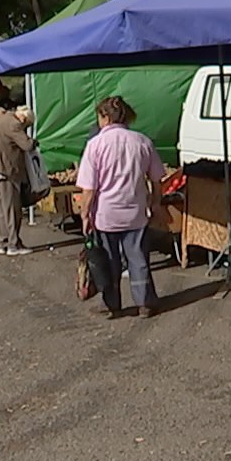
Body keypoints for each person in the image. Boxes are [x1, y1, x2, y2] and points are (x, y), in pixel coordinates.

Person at [76, 96, 166, 319]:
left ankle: (112, 304)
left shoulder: (95, 145)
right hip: (136, 213)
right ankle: (144, 303)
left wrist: (85, 214)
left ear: (105, 117)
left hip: (106, 214)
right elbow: (157, 179)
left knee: (109, 262)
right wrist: (155, 203)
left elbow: (89, 188)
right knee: (139, 259)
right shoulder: (142, 141)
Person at [0, 101, 34, 256]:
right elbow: (26, 145)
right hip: (5, 170)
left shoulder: (0, 120)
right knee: (12, 208)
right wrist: (34, 142)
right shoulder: (13, 123)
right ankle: (13, 245)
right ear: (24, 119)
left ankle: (3, 243)